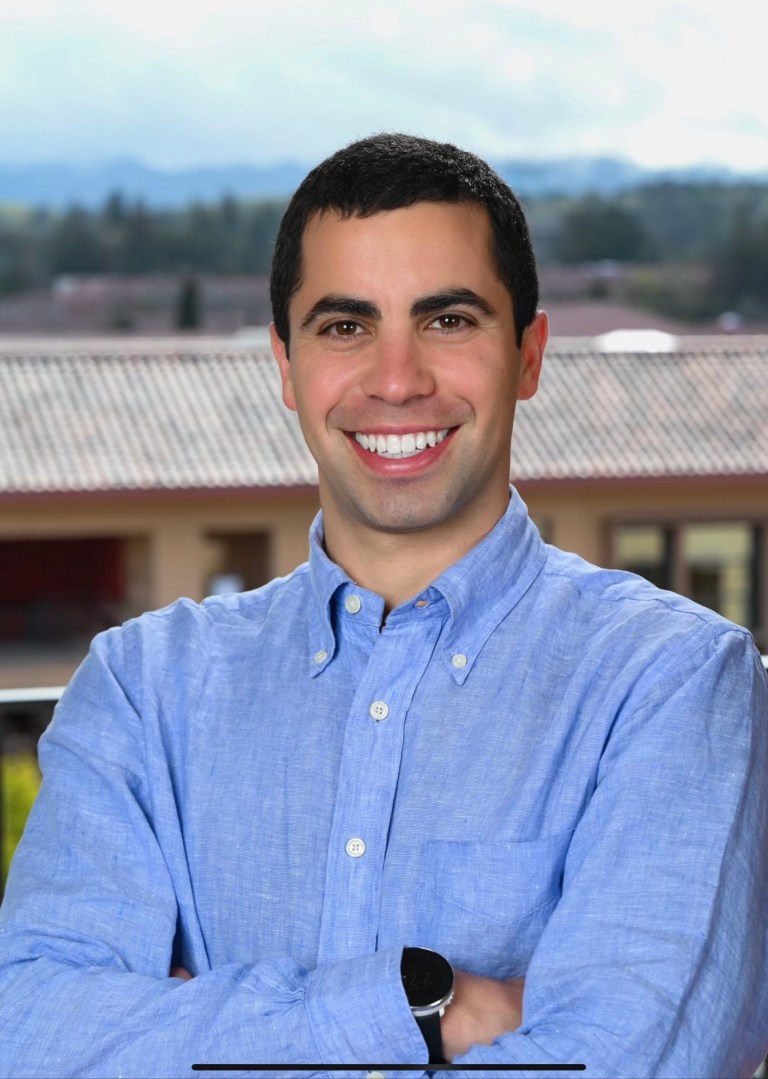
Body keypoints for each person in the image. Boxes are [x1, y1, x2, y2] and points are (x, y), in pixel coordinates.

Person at [1, 133, 766, 1079]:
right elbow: (30, 1035)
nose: (396, 379)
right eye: (344, 325)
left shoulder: (674, 686)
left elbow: (634, 1064)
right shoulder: (140, 689)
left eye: (448, 320)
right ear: (284, 364)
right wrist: (417, 1003)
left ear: (528, 353)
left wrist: (191, 1027)